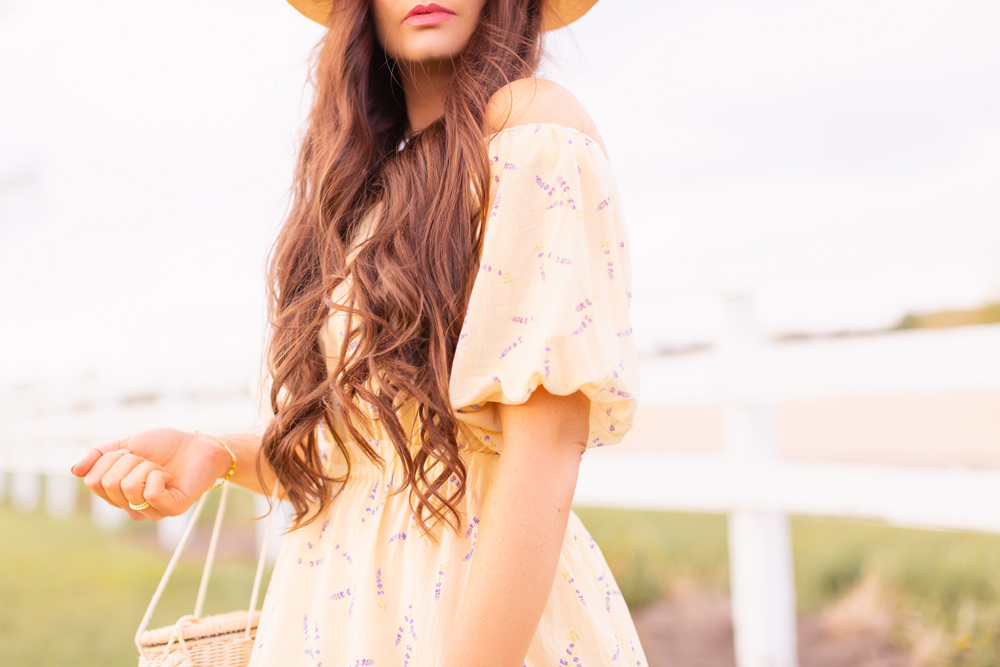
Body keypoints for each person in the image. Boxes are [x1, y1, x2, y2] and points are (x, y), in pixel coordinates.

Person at [71, 0, 647, 663]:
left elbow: (541, 454)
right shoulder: (363, 191)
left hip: (467, 624)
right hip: (335, 620)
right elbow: (371, 463)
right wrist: (218, 454)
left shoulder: (531, 133)